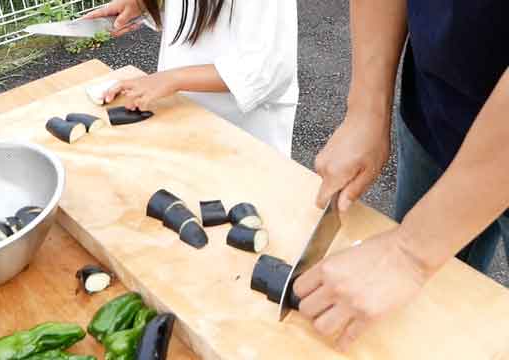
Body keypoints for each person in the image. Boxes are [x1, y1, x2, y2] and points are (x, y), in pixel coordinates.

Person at [293, 0, 509, 351]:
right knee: (408, 325)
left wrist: (410, 253)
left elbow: (410, 253)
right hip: (434, 109)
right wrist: (366, 106)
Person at [83, 0, 298, 157]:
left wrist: (173, 79)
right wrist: (144, 4)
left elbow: (267, 68)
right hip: (185, 111)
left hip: (244, 131)